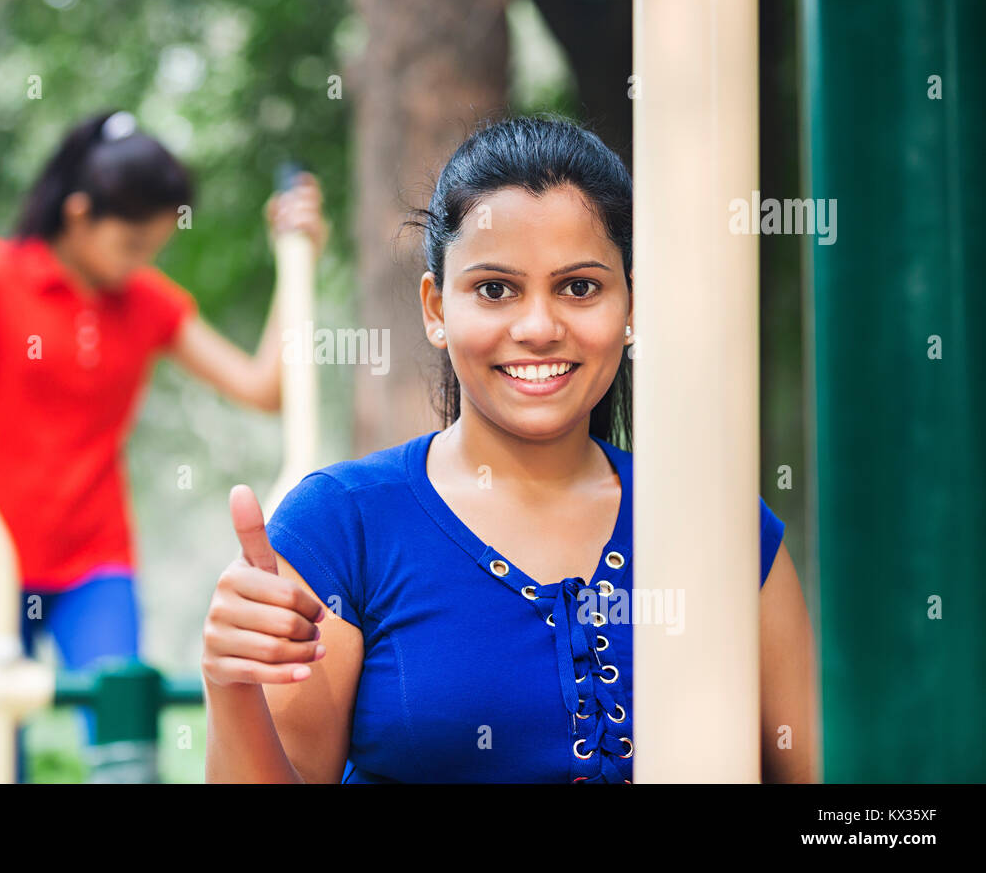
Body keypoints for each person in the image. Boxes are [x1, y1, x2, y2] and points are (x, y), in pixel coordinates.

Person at [200, 114, 819, 783]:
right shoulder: (342, 526)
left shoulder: (723, 530)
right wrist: (230, 686)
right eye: (495, 290)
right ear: (436, 308)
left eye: (579, 288)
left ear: (632, 303)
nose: (538, 327)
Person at [0, 110, 329, 783]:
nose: (140, 261)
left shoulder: (145, 302)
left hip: (93, 557)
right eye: (128, 243)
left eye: (152, 247)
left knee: (123, 739)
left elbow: (264, 387)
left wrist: (299, 269)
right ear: (79, 213)